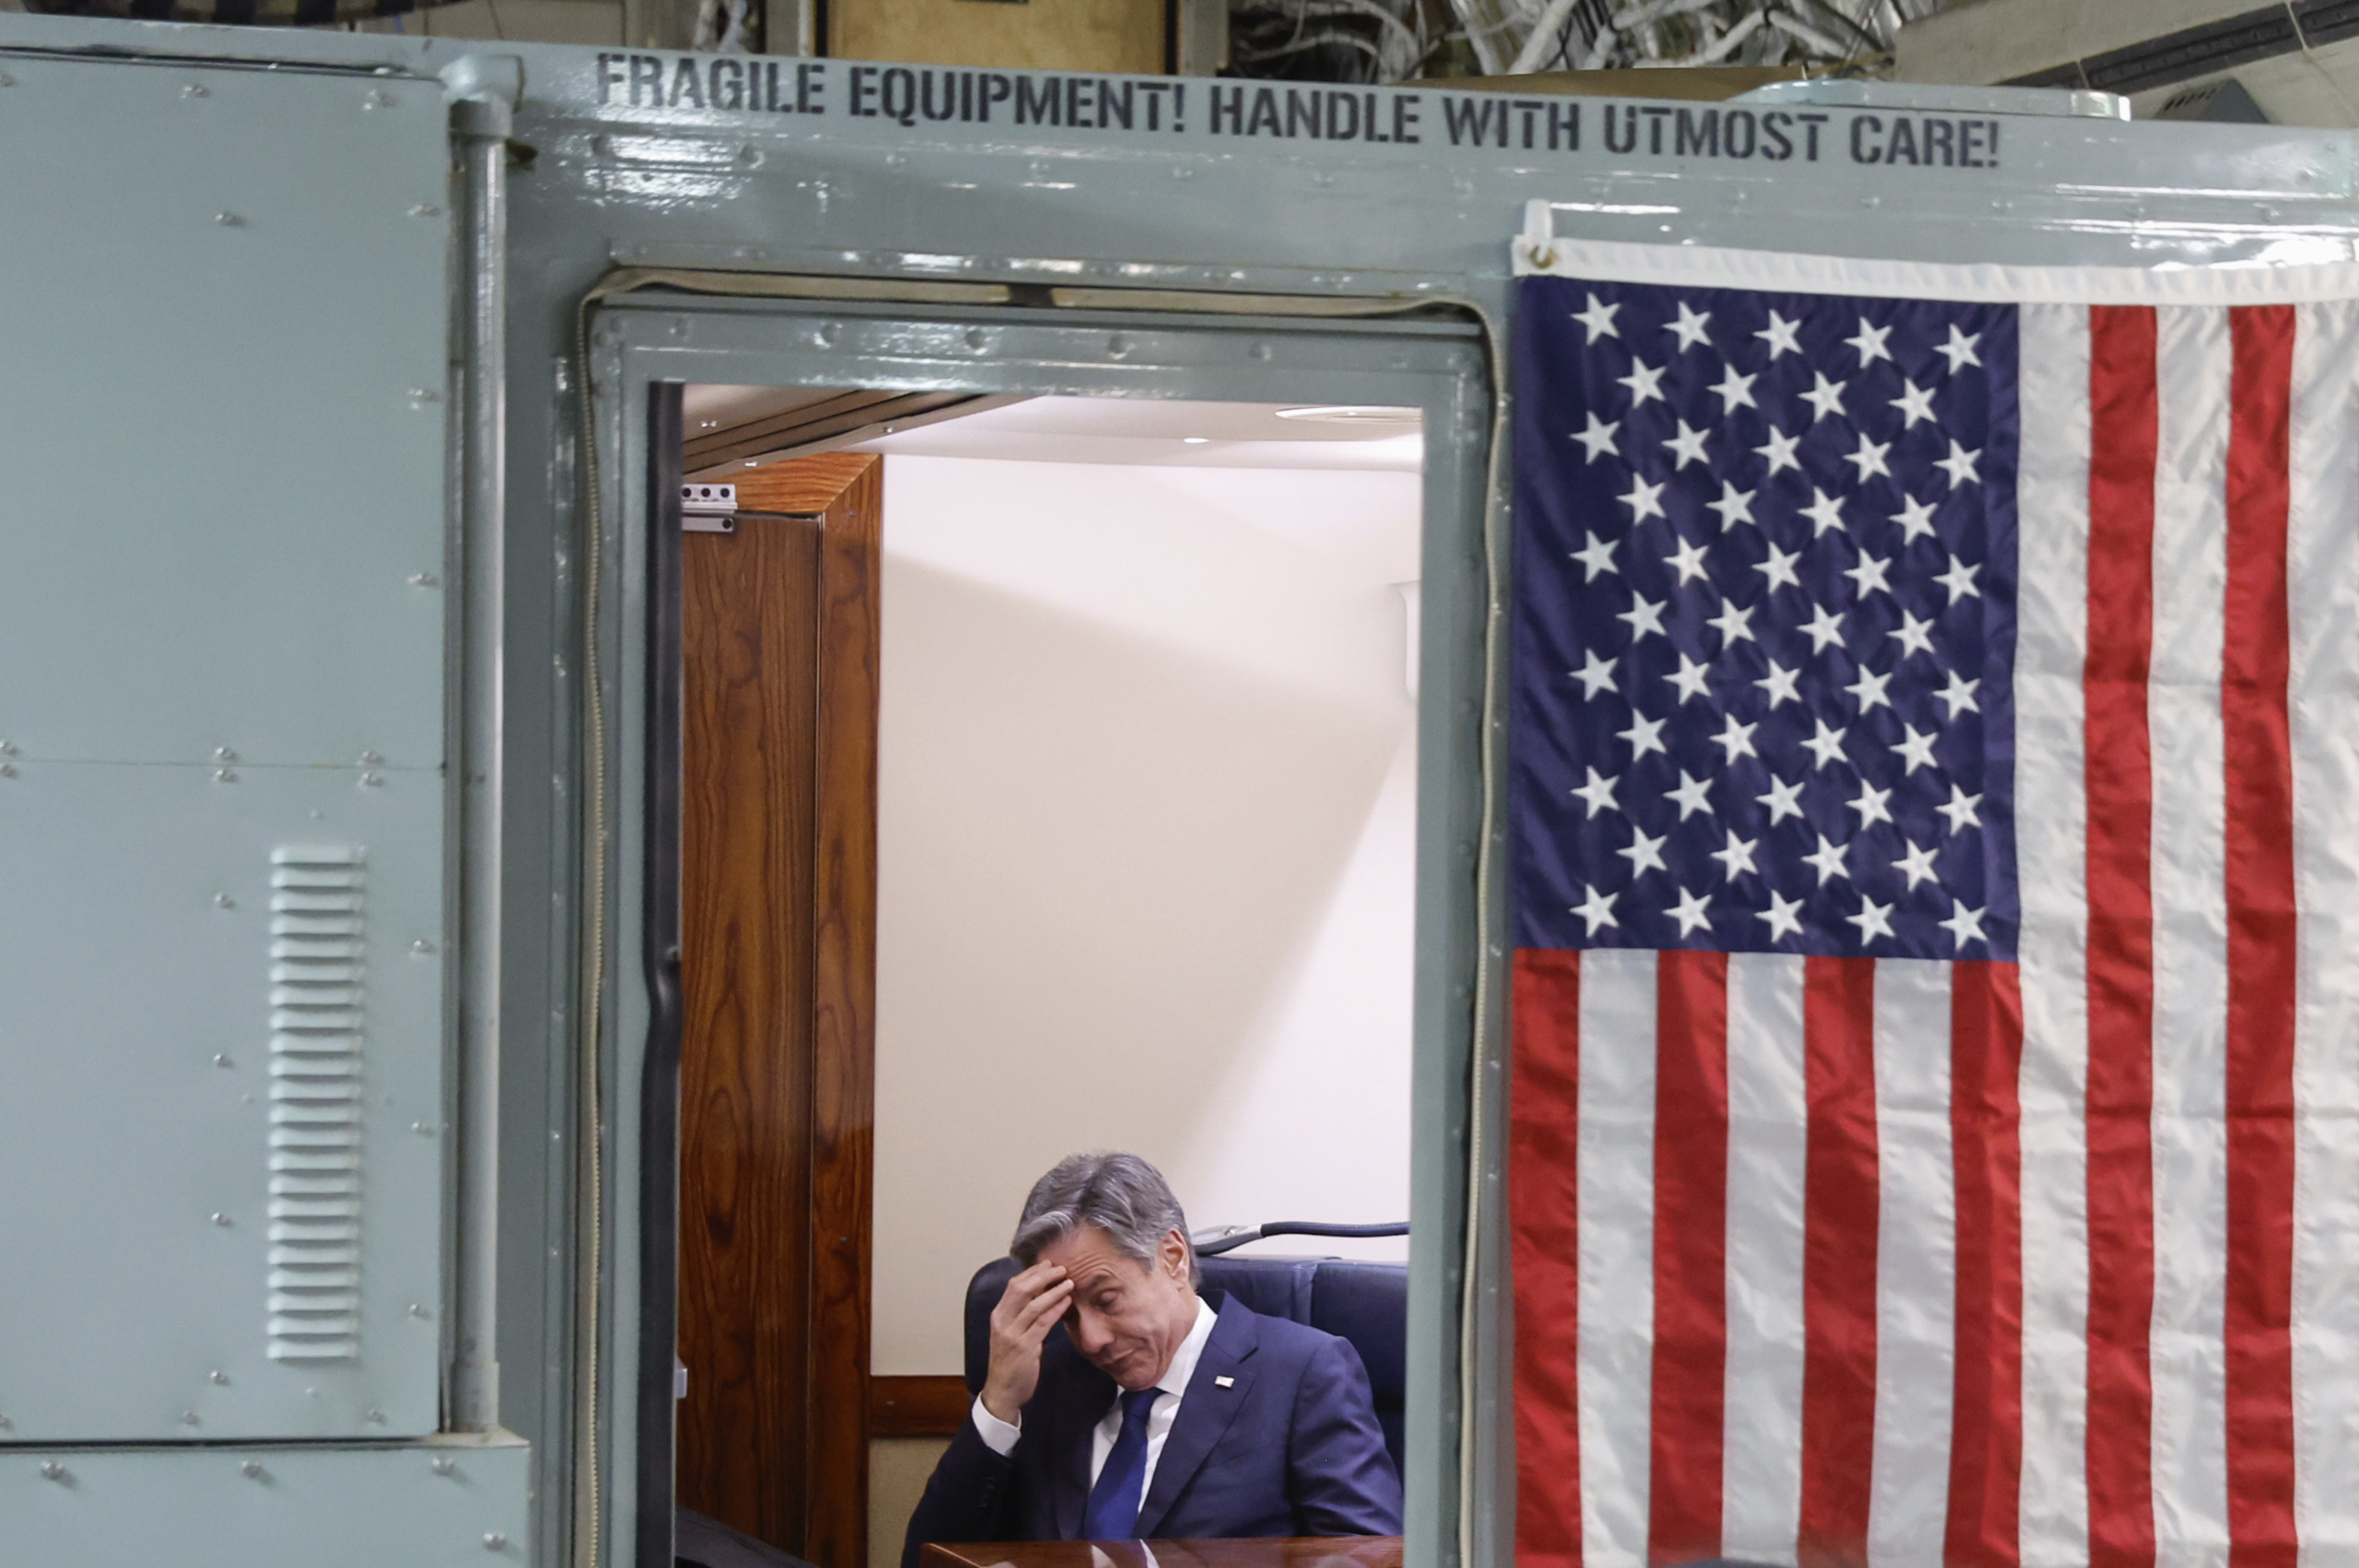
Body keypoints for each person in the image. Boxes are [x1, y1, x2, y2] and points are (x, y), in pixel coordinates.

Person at [901, 1152, 1402, 1567]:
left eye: (1107, 1299)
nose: (1092, 1339)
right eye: (1068, 1316)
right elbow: (929, 1558)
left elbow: (1369, 1557)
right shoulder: (1047, 1382)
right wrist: (1000, 1401)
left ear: (1173, 1257)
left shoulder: (1301, 1373)